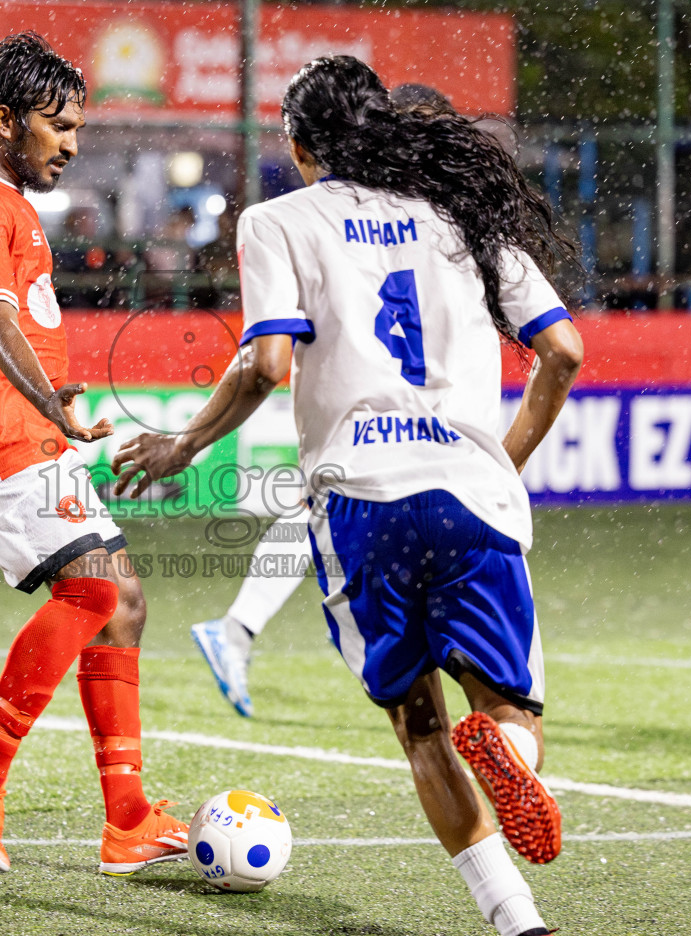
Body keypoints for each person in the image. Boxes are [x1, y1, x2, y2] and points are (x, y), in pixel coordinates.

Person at [112, 56, 583, 936]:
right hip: (471, 492)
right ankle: (513, 758)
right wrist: (501, 460)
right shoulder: (462, 216)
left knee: (419, 724)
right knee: (508, 709)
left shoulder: (280, 221)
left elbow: (269, 363)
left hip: (363, 499)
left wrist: (184, 443)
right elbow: (563, 351)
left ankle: (516, 920)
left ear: (297, 146)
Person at [0, 32, 187, 877]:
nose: (71, 144)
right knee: (96, 587)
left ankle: (129, 820)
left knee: (124, 602)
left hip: (22, 441)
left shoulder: (7, 201)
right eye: (56, 125)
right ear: (4, 120)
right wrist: (56, 414)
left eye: (76, 127)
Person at [188, 83, 507, 718]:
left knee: (322, 513)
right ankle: (238, 630)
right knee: (326, 511)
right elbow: (561, 348)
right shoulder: (411, 218)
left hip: (416, 446)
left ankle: (237, 629)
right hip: (406, 444)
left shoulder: (436, 218)